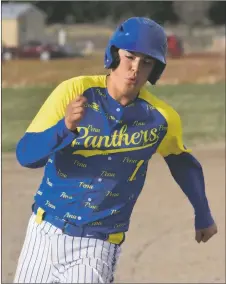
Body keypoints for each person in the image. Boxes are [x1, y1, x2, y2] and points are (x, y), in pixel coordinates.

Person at [14, 17, 217, 283]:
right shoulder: (74, 92)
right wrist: (64, 128)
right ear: (113, 54)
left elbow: (181, 161)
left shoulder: (160, 118)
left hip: (97, 244)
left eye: (147, 62)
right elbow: (26, 155)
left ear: (155, 69)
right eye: (129, 57)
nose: (135, 68)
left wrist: (203, 214)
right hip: (43, 230)